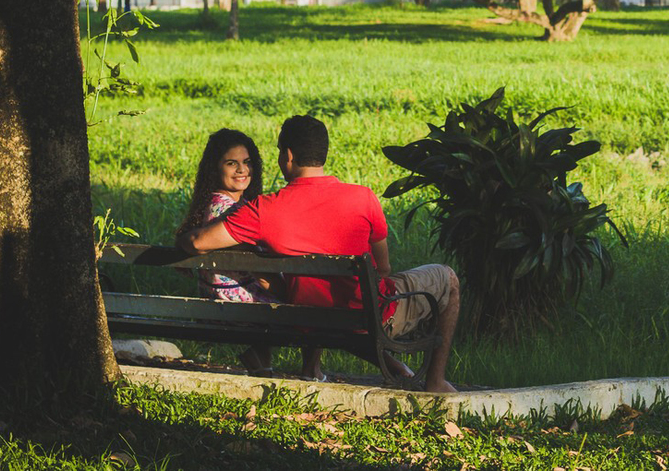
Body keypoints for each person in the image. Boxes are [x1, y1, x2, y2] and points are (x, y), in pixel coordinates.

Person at [176, 115, 460, 393]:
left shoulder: (264, 209)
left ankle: (322, 367)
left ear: (287, 156)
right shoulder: (363, 197)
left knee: (317, 290)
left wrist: (185, 235)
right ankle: (435, 381)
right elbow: (384, 269)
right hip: (372, 315)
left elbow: (198, 242)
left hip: (310, 317)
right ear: (322, 154)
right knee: (447, 278)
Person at [177, 128, 281, 375]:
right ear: (216, 168)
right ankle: (306, 371)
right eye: (232, 163)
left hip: (220, 295)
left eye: (246, 162)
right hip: (229, 300)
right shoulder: (228, 210)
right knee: (303, 305)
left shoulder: (222, 204)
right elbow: (257, 265)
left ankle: (260, 365)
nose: (242, 170)